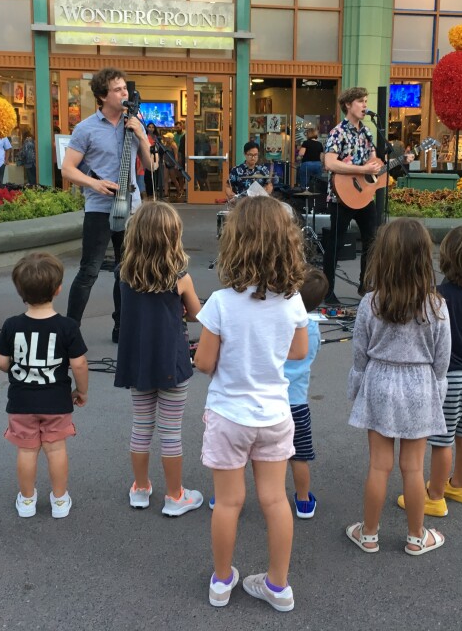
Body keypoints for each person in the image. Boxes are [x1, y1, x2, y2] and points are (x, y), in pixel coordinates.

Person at [194, 196, 309, 612]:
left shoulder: (221, 303)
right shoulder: (293, 301)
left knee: (228, 502)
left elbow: (205, 362)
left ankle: (222, 581)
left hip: (229, 415)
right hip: (275, 414)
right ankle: (278, 586)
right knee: (275, 500)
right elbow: (298, 352)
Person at [345, 218, 450, 556]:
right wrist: (437, 392)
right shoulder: (436, 305)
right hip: (419, 385)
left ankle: (369, 534)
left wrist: (356, 391)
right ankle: (417, 536)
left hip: (378, 382)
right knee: (414, 468)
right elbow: (441, 360)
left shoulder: (370, 303)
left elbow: (359, 356)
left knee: (379, 465)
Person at [396, 225, 462, 518]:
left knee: (442, 441)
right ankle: (460, 485)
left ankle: (435, 496)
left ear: (447, 258)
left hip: (446, 379)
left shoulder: (437, 296)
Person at [114, 202, 204, 516]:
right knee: (170, 431)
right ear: (172, 237)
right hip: (172, 362)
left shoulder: (125, 275)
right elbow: (196, 315)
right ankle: (175, 495)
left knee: (141, 427)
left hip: (138, 361)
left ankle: (140, 488)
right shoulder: (181, 278)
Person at [61, 67, 154, 342]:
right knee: (89, 270)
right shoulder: (86, 128)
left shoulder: (134, 121)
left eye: (125, 88)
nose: (124, 93)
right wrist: (94, 184)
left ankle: (121, 327)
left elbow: (151, 166)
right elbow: (67, 169)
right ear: (102, 96)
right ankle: (70, 330)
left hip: (132, 207)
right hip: (99, 208)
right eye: (117, 89)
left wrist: (142, 137)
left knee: (126, 270)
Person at [0, 252, 89, 519]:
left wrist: (16, 365)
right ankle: (59, 501)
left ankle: (26, 501)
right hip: (57, 401)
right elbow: (79, 364)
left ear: (19, 290)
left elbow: (0, 361)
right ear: (58, 289)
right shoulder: (67, 326)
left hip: (21, 402)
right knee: (56, 449)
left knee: (26, 450)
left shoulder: (12, 325)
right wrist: (81, 391)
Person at [322, 87, 383, 305]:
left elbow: (373, 164)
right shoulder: (338, 132)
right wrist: (362, 170)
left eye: (366, 101)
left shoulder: (367, 132)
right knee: (335, 244)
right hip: (341, 196)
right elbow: (329, 163)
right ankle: (327, 291)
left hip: (364, 197)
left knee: (372, 242)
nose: (365, 105)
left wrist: (382, 166)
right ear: (348, 105)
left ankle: (365, 285)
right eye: (360, 101)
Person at [284, 266, 329, 519]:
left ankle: (226, 495)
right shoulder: (313, 330)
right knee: (299, 456)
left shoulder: (281, 320)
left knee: (245, 454)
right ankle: (303, 500)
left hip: (270, 399)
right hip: (298, 403)